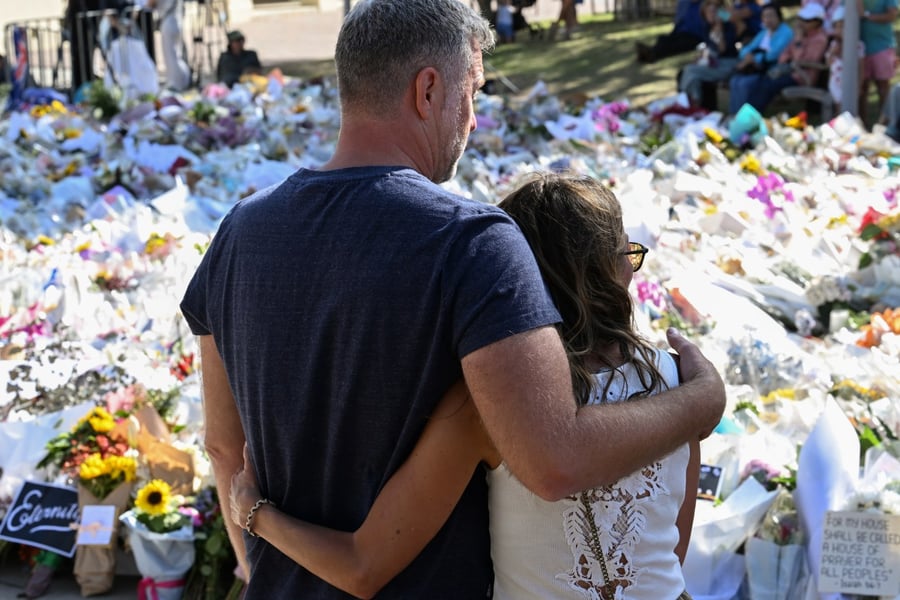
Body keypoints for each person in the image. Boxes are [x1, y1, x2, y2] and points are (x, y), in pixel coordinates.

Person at [180, 0, 726, 597]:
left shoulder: (239, 231)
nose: (473, 120)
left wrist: (258, 555)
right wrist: (700, 400)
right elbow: (553, 459)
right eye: (475, 93)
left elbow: (223, 445)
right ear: (429, 90)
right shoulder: (472, 242)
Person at [228, 172, 701, 599]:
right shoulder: (682, 385)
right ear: (613, 271)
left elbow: (362, 566)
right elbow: (670, 556)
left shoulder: (486, 407)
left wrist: (256, 513)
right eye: (628, 256)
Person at [726, 3, 793, 114]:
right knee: (735, 81)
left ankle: (743, 119)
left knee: (744, 84)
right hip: (755, 68)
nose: (768, 19)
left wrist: (753, 58)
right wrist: (748, 56)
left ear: (779, 16)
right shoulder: (764, 33)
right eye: (765, 16)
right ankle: (733, 116)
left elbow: (774, 54)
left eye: (771, 16)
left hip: (770, 71)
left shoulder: (786, 32)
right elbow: (746, 49)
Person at [677, 0, 740, 110]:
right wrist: (701, 57)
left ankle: (688, 103)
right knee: (689, 73)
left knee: (691, 71)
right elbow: (709, 49)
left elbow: (722, 49)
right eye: (709, 12)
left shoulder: (727, 27)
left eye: (714, 11)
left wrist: (719, 28)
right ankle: (692, 103)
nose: (712, 14)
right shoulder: (706, 28)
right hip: (715, 64)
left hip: (729, 64)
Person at [859, 0, 898, 126]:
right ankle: (861, 126)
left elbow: (892, 15)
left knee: (883, 88)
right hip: (860, 49)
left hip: (882, 46)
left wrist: (866, 15)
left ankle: (885, 127)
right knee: (861, 88)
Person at [636, 0, 711, 63]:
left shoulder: (705, 5)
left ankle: (651, 54)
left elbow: (717, 17)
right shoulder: (687, 5)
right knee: (662, 38)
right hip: (681, 32)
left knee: (674, 44)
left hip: (696, 36)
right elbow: (680, 20)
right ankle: (650, 53)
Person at [825, 5, 865, 114]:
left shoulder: (858, 46)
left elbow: (861, 68)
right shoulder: (833, 44)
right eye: (837, 27)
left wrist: (859, 86)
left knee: (850, 109)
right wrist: (832, 53)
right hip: (836, 83)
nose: (839, 30)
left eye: (842, 26)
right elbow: (828, 64)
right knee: (838, 109)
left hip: (850, 82)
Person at [146, 0, 191, 91]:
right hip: (175, 20)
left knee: (170, 56)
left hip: (169, 20)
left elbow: (150, 4)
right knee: (175, 55)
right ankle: (183, 80)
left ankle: (177, 84)